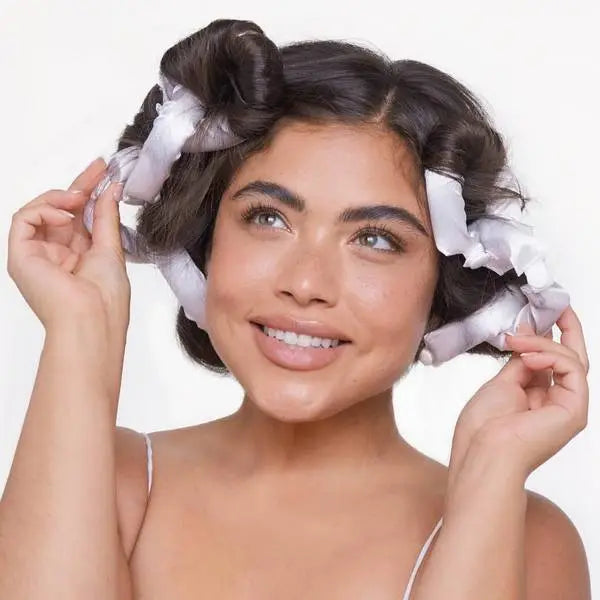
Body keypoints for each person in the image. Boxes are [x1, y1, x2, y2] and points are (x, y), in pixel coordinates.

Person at [1, 18, 591, 600]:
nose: (306, 284)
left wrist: (489, 474)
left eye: (376, 239)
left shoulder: (525, 539)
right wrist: (80, 329)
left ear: (443, 285)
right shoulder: (108, 482)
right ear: (207, 241)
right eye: (268, 218)